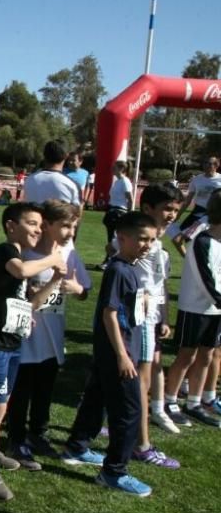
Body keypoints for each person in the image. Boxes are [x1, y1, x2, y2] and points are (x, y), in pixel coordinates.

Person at [0, 202, 66, 500]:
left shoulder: (20, 258)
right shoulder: (5, 252)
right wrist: (52, 258)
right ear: (12, 226)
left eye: (40, 224)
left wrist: (56, 279)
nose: (39, 229)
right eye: (32, 223)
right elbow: (22, 270)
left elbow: (31, 302)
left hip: (12, 341)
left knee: (3, 403)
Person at [61, 212, 160, 497]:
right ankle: (114, 472)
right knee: (129, 412)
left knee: (97, 398)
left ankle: (76, 447)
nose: (147, 245)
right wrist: (123, 356)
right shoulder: (119, 269)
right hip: (118, 351)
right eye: (141, 239)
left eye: (151, 240)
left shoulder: (127, 267)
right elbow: (109, 314)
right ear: (122, 238)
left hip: (111, 349)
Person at [6, 200, 90, 470]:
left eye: (74, 226)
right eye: (65, 226)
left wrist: (77, 287)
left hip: (54, 338)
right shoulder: (27, 257)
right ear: (47, 225)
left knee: (45, 390)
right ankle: (16, 439)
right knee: (22, 391)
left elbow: (84, 292)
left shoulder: (70, 256)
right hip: (27, 338)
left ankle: (38, 434)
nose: (70, 232)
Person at [116, 184, 182, 469]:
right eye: (167, 209)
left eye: (176, 210)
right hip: (139, 320)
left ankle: (123, 429)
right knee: (139, 384)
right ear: (147, 209)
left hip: (151, 320)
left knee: (142, 378)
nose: (171, 215)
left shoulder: (159, 248)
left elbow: (160, 287)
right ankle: (141, 445)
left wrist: (164, 318)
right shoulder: (142, 245)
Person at [162, 189, 221, 429]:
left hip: (215, 311)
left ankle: (194, 403)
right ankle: (168, 401)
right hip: (195, 308)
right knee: (187, 355)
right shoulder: (202, 241)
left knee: (206, 356)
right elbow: (205, 278)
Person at [170, 157, 221, 256]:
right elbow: (188, 200)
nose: (206, 165)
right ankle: (189, 259)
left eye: (209, 163)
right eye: (205, 162)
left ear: (216, 166)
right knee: (178, 238)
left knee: (212, 239)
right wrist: (178, 215)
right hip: (198, 211)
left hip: (215, 213)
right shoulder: (196, 179)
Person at [23, 140, 81, 207]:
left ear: (44, 155)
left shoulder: (29, 180)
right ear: (66, 156)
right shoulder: (72, 184)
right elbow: (77, 215)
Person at [99, 161, 133, 270]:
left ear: (121, 168)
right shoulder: (117, 182)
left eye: (114, 167)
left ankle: (110, 261)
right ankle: (110, 260)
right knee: (111, 237)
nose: (112, 169)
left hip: (119, 212)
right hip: (112, 210)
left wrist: (129, 213)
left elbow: (130, 199)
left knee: (114, 238)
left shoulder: (125, 181)